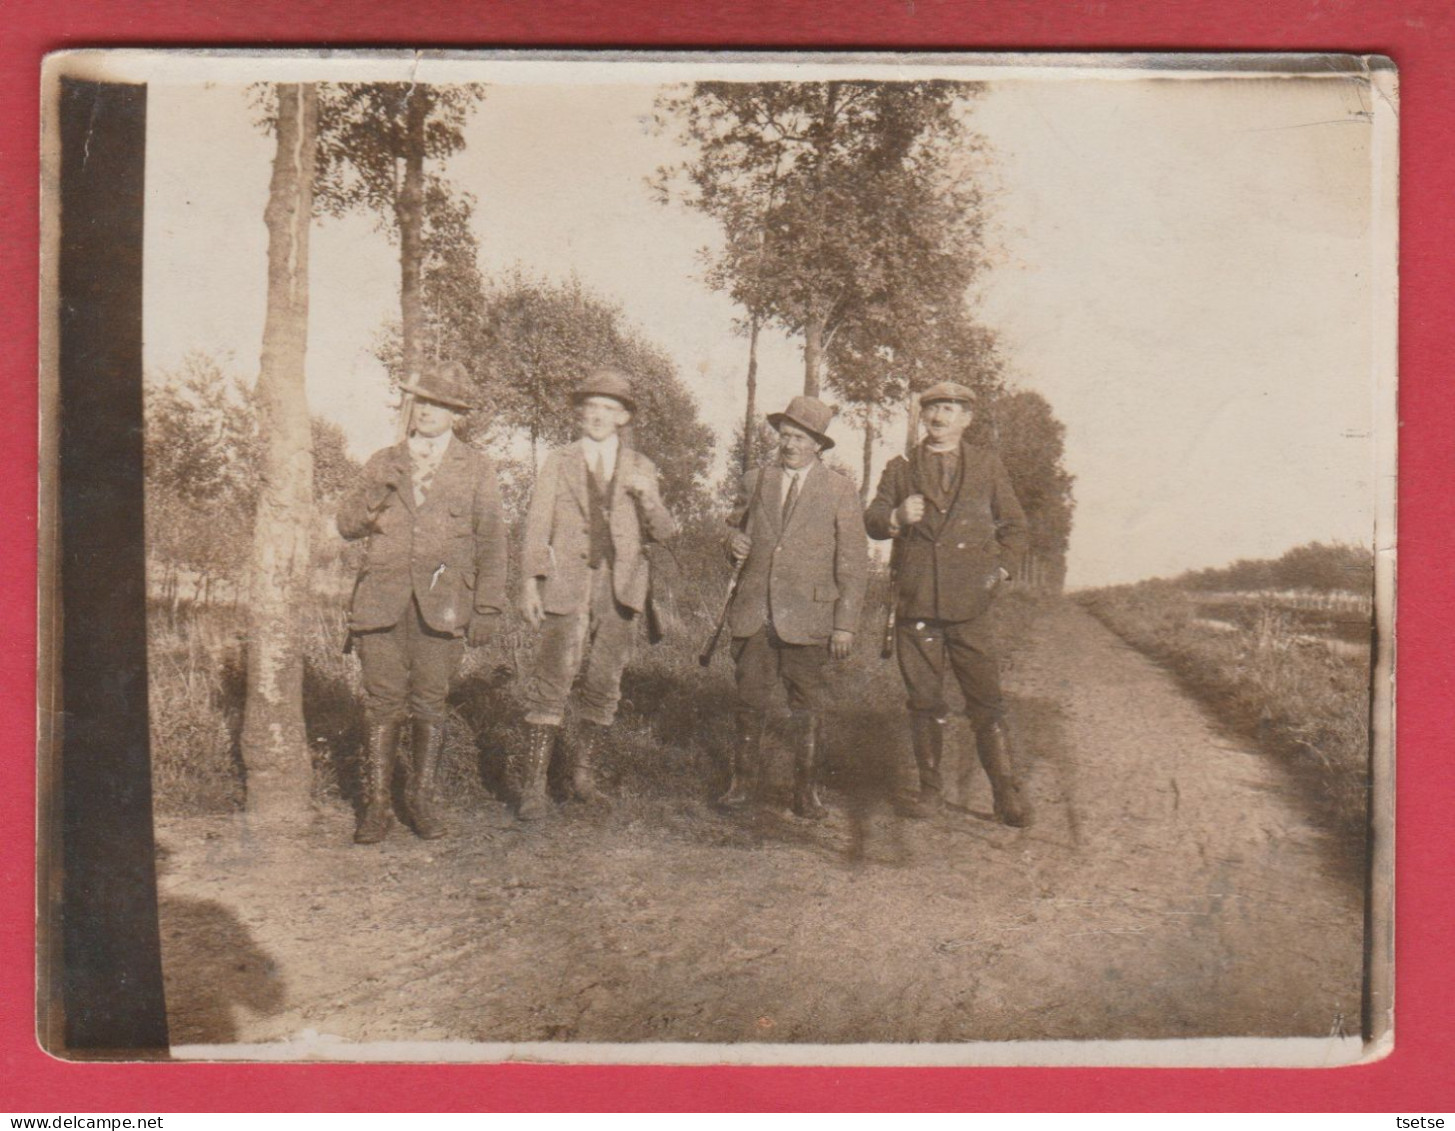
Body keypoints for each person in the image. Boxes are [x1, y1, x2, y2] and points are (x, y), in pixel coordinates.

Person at [337, 361, 507, 845]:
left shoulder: (475, 468)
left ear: (457, 414)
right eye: (422, 402)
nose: (428, 412)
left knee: (431, 702)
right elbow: (346, 525)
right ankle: (377, 807)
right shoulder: (382, 461)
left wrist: (488, 608)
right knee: (382, 704)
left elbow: (493, 541)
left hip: (444, 606)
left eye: (440, 405)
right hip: (380, 603)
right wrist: (375, 493)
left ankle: (422, 800)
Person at [864, 382, 1032, 825]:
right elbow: (874, 518)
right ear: (923, 416)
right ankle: (931, 792)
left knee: (986, 700)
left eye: (950, 409)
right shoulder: (901, 468)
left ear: (967, 419)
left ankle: (1005, 794)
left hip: (970, 605)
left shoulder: (988, 466)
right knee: (924, 700)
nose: (939, 417)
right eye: (933, 409)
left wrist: (999, 571)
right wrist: (897, 518)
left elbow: (1015, 526)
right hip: (917, 602)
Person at [515, 368, 677, 819]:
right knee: (552, 679)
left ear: (624, 417)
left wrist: (647, 498)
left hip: (620, 589)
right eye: (592, 407)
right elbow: (536, 526)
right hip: (567, 583)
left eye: (610, 408)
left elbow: (664, 531)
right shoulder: (558, 461)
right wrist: (529, 581)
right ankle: (533, 788)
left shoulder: (643, 467)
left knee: (605, 681)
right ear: (579, 413)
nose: (599, 416)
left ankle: (581, 778)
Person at [721, 395, 869, 819]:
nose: (790, 445)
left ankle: (806, 792)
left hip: (810, 619)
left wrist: (845, 626)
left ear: (818, 445)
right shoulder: (756, 481)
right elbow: (731, 534)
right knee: (749, 701)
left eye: (800, 437)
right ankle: (741, 785)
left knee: (807, 706)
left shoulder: (840, 490)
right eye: (785, 435)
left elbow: (853, 564)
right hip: (756, 614)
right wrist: (731, 545)